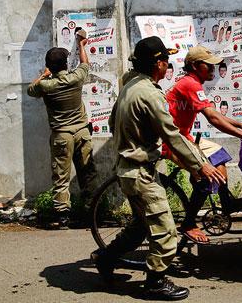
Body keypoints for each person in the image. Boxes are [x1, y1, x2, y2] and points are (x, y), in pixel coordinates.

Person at [93, 37, 225, 300]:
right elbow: (172, 135)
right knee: (165, 229)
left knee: (141, 226)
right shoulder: (151, 94)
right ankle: (155, 282)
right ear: (158, 64)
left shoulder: (131, 86)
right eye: (165, 61)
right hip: (140, 172)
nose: (168, 66)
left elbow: (111, 120)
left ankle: (105, 257)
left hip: (128, 169)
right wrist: (201, 164)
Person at [165, 46, 242, 244]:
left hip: (184, 137)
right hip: (171, 142)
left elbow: (214, 114)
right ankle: (189, 224)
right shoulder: (189, 84)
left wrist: (240, 124)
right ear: (194, 66)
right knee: (205, 178)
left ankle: (226, 204)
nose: (213, 69)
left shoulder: (193, 83)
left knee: (220, 155)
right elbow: (213, 119)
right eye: (208, 65)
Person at [27, 29, 98, 229]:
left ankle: (63, 216)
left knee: (61, 176)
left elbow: (30, 90)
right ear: (66, 64)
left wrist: (43, 74)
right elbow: (85, 65)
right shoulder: (75, 79)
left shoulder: (46, 86)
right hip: (82, 132)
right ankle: (92, 211)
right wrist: (81, 46)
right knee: (88, 173)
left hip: (61, 136)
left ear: (50, 66)